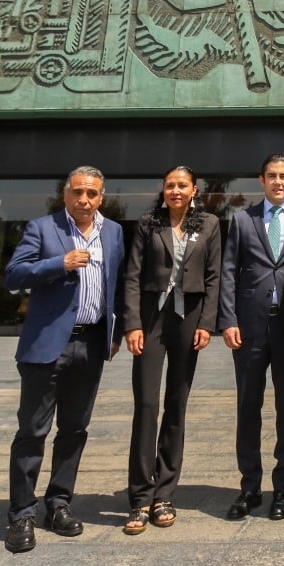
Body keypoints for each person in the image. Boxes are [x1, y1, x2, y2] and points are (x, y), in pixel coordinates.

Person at [2, 166, 126, 554]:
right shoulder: (42, 228)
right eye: (77, 192)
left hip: (91, 345)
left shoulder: (113, 232)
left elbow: (117, 285)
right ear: (65, 194)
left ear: (101, 197)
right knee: (32, 431)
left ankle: (58, 504)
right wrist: (61, 264)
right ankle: (21, 514)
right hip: (47, 346)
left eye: (92, 193)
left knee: (74, 429)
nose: (84, 200)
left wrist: (115, 332)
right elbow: (13, 275)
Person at [122, 165, 222, 534]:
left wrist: (207, 324)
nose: (175, 191)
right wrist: (132, 323)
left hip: (188, 319)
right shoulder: (148, 223)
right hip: (151, 319)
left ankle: (164, 493)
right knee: (147, 404)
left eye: (182, 185)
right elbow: (132, 275)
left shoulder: (209, 224)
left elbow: (214, 276)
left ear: (194, 190)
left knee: (176, 404)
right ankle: (140, 496)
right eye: (169, 186)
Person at [219, 154, 284, 521]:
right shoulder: (243, 219)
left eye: (283, 176)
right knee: (248, 408)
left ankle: (282, 487)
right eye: (271, 176)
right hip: (249, 328)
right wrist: (228, 319)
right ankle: (250, 487)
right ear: (262, 180)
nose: (277, 182)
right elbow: (228, 271)